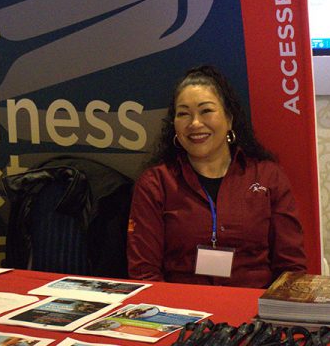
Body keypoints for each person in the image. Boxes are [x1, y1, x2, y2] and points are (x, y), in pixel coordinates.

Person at [127, 65, 307, 288]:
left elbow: (291, 269)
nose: (194, 123)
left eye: (206, 111)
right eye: (183, 113)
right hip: (181, 312)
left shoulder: (268, 176)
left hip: (254, 312)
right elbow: (144, 273)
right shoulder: (156, 183)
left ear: (229, 119)